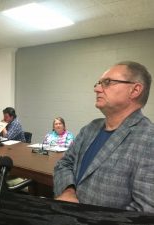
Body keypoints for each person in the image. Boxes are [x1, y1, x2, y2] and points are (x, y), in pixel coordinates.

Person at [54, 61, 154, 212]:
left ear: (135, 90)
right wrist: (68, 191)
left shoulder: (149, 139)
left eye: (107, 82)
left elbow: (145, 210)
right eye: (98, 83)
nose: (97, 89)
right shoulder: (90, 128)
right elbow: (64, 163)